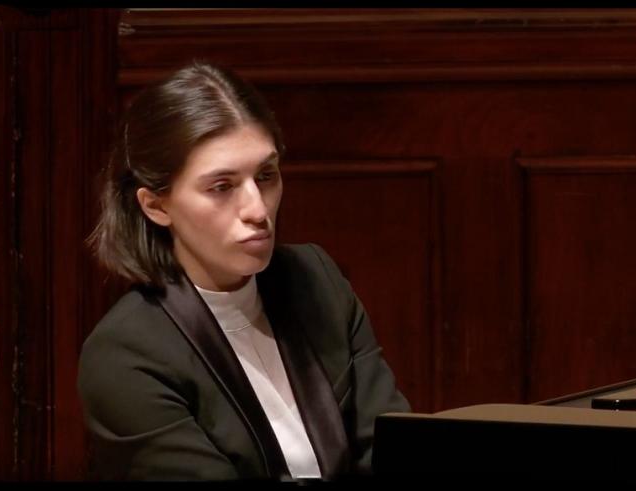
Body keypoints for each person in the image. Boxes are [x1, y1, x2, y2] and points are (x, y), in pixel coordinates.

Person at [77, 61, 410, 481]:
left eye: (266, 176)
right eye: (222, 186)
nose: (257, 209)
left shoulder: (316, 278)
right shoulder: (125, 354)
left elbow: (392, 450)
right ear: (156, 206)